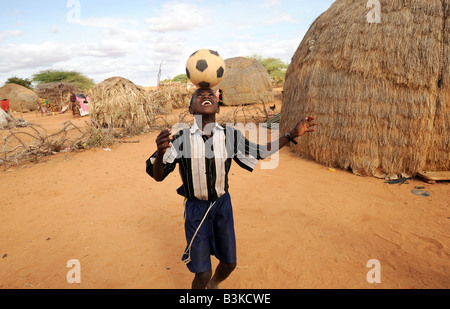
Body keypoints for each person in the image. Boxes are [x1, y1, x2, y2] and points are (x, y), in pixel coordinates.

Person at [146, 87, 317, 289]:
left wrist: (291, 134)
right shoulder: (180, 139)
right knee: (202, 273)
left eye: (211, 95)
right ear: (191, 109)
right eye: (199, 96)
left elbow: (261, 152)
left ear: (218, 108)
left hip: (222, 206)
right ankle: (203, 285)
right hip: (195, 209)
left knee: (229, 263)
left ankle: (213, 285)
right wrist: (160, 151)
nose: (206, 96)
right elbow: (158, 176)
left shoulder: (230, 136)